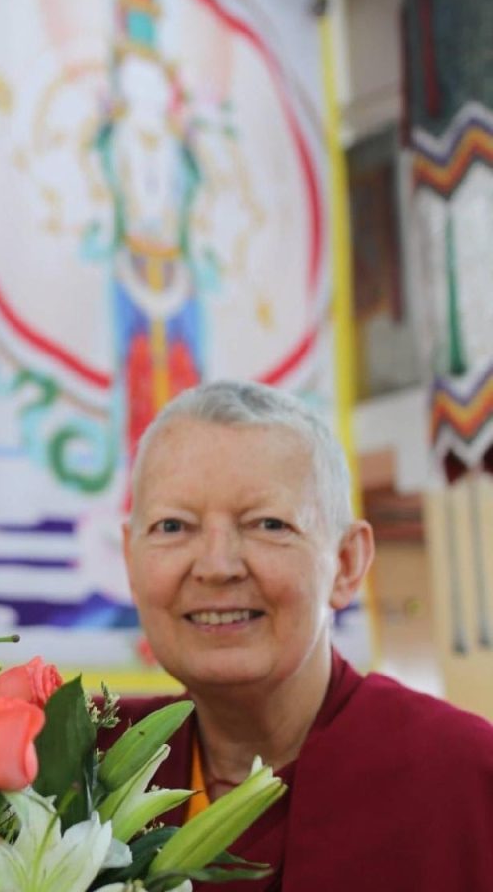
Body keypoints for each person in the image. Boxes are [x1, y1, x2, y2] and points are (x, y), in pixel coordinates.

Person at [117, 379, 493, 891]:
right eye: (173, 526)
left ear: (345, 563)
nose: (217, 566)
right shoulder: (83, 770)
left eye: (268, 524)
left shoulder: (463, 779)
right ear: (129, 560)